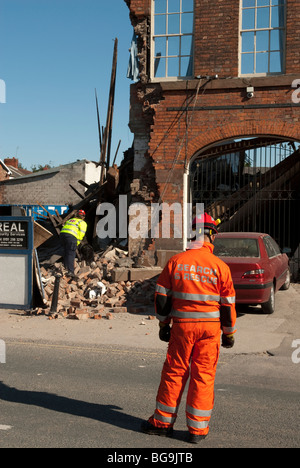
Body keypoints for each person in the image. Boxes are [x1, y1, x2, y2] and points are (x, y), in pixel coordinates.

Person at [141, 213, 237, 444]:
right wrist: (229, 333)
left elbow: (162, 297)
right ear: (211, 236)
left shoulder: (176, 262)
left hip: (182, 328)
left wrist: (164, 324)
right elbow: (228, 305)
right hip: (210, 330)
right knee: (203, 376)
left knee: (175, 372)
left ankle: (162, 423)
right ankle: (197, 430)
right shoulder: (220, 267)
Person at [60, 210, 87, 277]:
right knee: (71, 253)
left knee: (66, 251)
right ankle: (70, 271)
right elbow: (81, 233)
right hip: (71, 236)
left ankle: (66, 267)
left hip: (62, 235)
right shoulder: (82, 222)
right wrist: (77, 243)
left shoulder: (71, 220)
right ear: (83, 217)